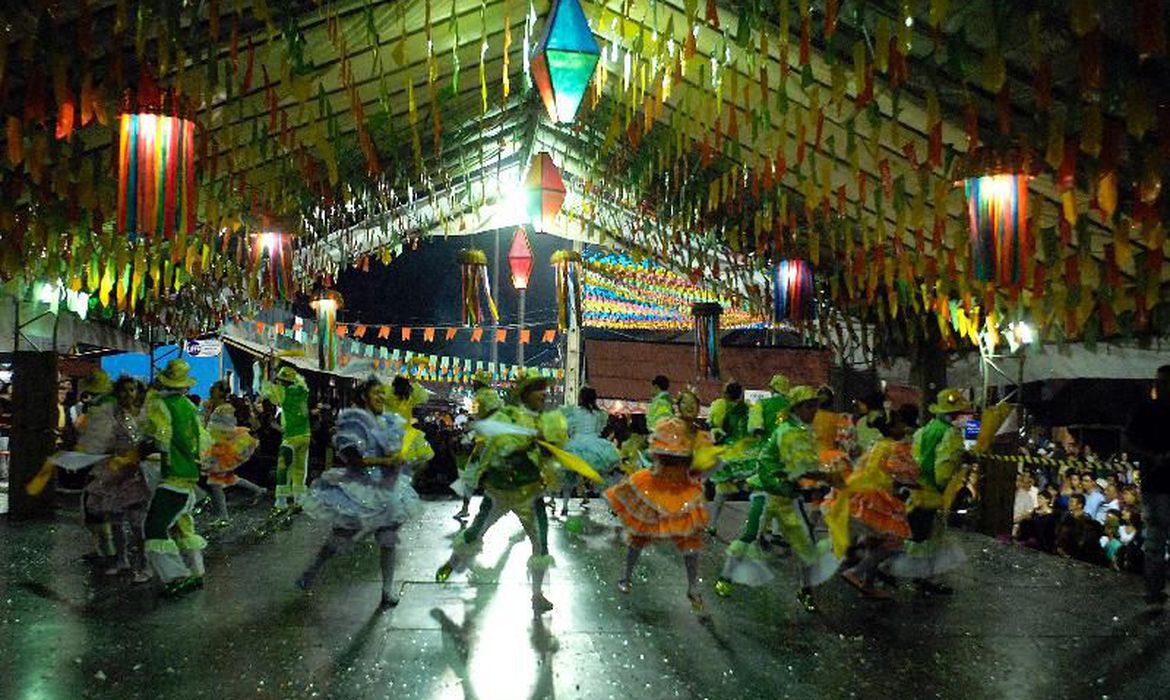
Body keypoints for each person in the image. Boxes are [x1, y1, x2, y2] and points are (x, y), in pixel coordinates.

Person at [434, 372, 570, 615]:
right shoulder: (506, 416)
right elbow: (505, 450)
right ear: (525, 393)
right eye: (538, 388)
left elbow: (550, 456)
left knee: (541, 545)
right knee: (475, 532)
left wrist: (551, 452)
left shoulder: (546, 421)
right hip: (499, 492)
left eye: (544, 389)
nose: (544, 393)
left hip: (530, 494)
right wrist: (532, 442)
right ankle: (452, 563)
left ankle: (537, 595)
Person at [715, 386, 843, 613]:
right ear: (798, 407)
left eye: (815, 405)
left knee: (805, 544)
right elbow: (801, 468)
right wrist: (829, 476)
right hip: (766, 493)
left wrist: (824, 475)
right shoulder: (789, 432)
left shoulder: (798, 430)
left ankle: (806, 590)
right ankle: (725, 578)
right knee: (750, 535)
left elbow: (803, 467)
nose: (814, 410)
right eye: (809, 406)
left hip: (786, 496)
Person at [297, 376, 420, 608]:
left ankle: (386, 590)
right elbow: (354, 460)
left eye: (383, 393)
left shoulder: (388, 421)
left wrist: (403, 460)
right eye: (376, 393)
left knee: (388, 539)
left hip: (388, 488)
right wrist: (386, 460)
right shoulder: (355, 423)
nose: (382, 397)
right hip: (361, 489)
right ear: (365, 396)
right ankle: (312, 571)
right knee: (339, 537)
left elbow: (396, 451)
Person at [606, 416, 714, 612]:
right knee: (638, 537)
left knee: (690, 543)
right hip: (655, 490)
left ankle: (693, 586)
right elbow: (656, 463)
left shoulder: (694, 437)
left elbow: (705, 467)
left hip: (682, 493)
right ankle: (627, 576)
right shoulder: (667, 430)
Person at [884, 387, 971, 596]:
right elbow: (943, 469)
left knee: (913, 534)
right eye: (957, 413)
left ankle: (899, 572)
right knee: (929, 538)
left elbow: (915, 461)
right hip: (932, 492)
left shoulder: (923, 431)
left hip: (916, 490)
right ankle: (921, 579)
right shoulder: (951, 434)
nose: (960, 417)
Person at [829, 412, 917, 599]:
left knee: (875, 541)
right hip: (878, 499)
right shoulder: (895, 448)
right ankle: (856, 573)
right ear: (892, 427)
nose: (905, 429)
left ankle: (868, 583)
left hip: (861, 495)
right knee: (893, 541)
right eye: (901, 425)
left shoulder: (877, 444)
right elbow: (906, 474)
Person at [140, 360, 208, 597]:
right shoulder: (189, 406)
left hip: (174, 477)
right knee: (183, 525)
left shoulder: (160, 405)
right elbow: (202, 441)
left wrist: (162, 457)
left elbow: (161, 439)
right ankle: (197, 571)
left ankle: (176, 576)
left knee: (154, 527)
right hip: (189, 475)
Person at [79, 373, 152, 579]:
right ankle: (122, 560)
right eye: (123, 390)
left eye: (132, 390)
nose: (128, 394)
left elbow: (151, 440)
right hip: (113, 473)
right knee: (116, 522)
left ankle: (145, 565)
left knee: (138, 525)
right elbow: (100, 442)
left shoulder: (143, 415)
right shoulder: (111, 415)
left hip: (135, 475)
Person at [1123, 365, 1170, 609]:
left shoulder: (1145, 411)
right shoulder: (1145, 411)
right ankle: (1154, 591)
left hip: (1156, 482)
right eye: (1160, 383)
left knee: (1156, 539)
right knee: (1155, 539)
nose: (1162, 387)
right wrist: (1153, 457)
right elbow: (1128, 441)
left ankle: (1155, 591)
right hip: (1155, 484)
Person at [558, 386, 620, 517]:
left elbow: (569, 429)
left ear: (581, 397)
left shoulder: (573, 412)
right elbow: (599, 430)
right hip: (595, 447)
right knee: (600, 479)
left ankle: (564, 507)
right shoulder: (599, 414)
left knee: (569, 478)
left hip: (576, 446)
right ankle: (612, 506)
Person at [200, 404, 266, 524]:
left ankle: (223, 516)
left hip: (222, 456)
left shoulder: (223, 425)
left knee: (217, 483)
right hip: (218, 455)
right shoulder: (218, 424)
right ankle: (259, 490)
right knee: (228, 480)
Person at [706, 381, 754, 533]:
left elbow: (715, 427)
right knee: (752, 488)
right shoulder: (748, 409)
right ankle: (753, 525)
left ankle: (712, 524)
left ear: (725, 393)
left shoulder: (720, 406)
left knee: (720, 491)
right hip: (746, 454)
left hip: (727, 454)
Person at [263, 366, 311, 515]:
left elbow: (266, 391)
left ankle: (281, 501)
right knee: (300, 469)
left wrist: (268, 373)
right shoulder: (303, 392)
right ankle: (299, 500)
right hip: (305, 435)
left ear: (283, 381)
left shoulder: (284, 392)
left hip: (290, 437)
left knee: (283, 469)